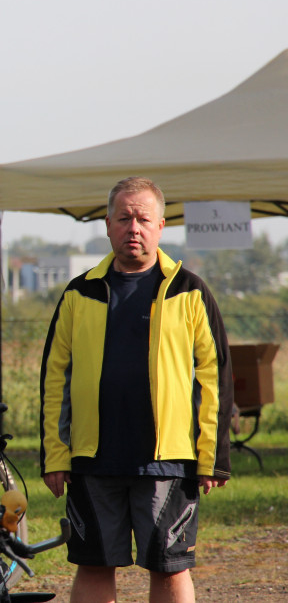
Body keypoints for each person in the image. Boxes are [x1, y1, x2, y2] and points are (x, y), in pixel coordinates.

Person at [40, 176, 233, 603]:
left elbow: (214, 378)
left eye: (143, 219)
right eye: (124, 218)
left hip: (168, 462)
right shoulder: (79, 293)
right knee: (93, 564)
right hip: (93, 459)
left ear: (160, 226)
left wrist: (212, 457)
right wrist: (55, 454)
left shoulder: (190, 291)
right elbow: (55, 378)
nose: (134, 228)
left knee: (169, 567)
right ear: (108, 225)